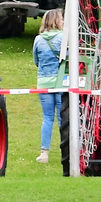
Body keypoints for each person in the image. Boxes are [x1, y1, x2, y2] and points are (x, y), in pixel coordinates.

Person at [33, 9, 66, 165]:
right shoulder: (62, 38)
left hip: (43, 82)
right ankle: (66, 150)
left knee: (47, 118)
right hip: (60, 82)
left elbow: (36, 61)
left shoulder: (38, 40)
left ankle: (44, 153)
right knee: (62, 118)